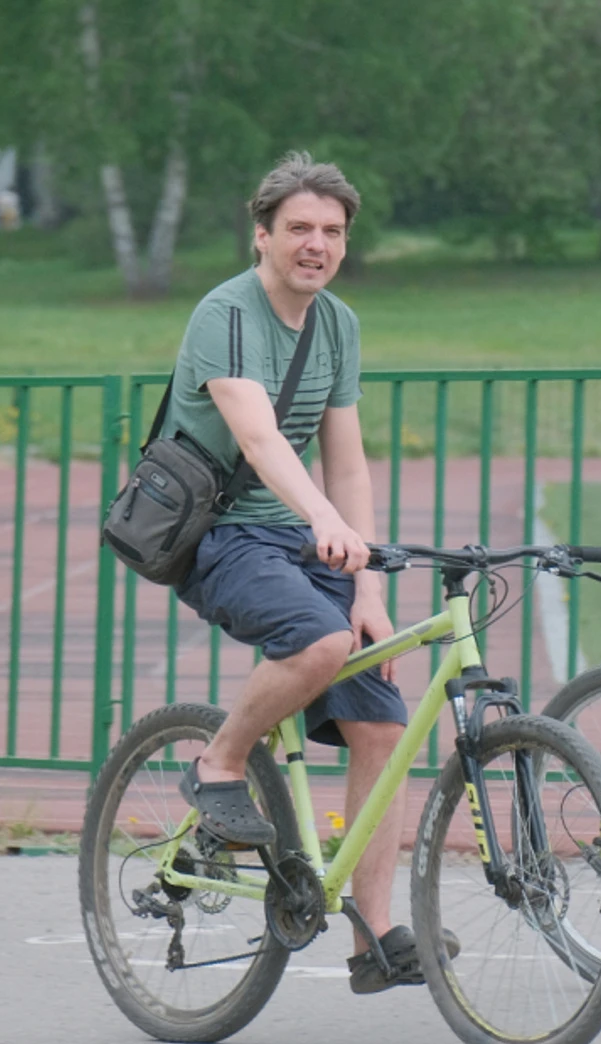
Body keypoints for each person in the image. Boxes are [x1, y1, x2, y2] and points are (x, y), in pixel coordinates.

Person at [162, 151, 443, 993]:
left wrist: (369, 585)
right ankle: (219, 762)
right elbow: (257, 436)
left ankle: (374, 931)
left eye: (332, 232)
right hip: (218, 535)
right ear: (263, 236)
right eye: (299, 230)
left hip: (305, 539)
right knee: (317, 643)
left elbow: (346, 462)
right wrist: (321, 520)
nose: (316, 244)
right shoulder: (226, 315)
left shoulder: (339, 325)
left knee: (383, 727)